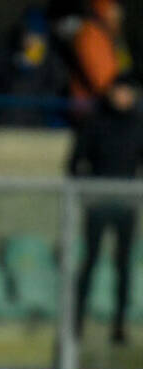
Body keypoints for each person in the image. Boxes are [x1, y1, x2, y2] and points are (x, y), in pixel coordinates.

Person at [70, 74, 142, 343]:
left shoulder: (138, 125)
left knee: (123, 266)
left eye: (127, 92)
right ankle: (75, 323)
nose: (122, 97)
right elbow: (75, 163)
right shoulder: (96, 123)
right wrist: (89, 188)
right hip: (98, 204)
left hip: (126, 204)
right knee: (89, 262)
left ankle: (119, 325)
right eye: (118, 91)